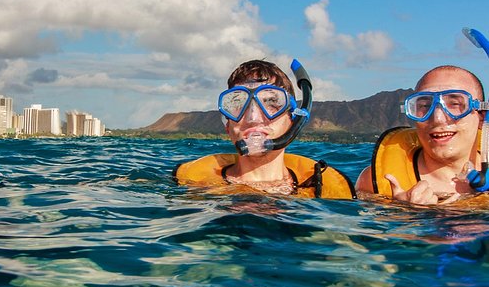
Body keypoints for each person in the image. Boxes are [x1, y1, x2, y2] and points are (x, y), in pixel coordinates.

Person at [174, 59, 356, 199]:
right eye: (238, 103)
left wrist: (384, 206)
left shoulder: (325, 191)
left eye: (271, 102)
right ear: (227, 124)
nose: (253, 118)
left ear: (294, 119)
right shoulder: (192, 187)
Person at [355, 65, 488, 205]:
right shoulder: (375, 181)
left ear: (481, 117)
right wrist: (402, 213)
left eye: (455, 104)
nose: (437, 118)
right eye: (424, 106)